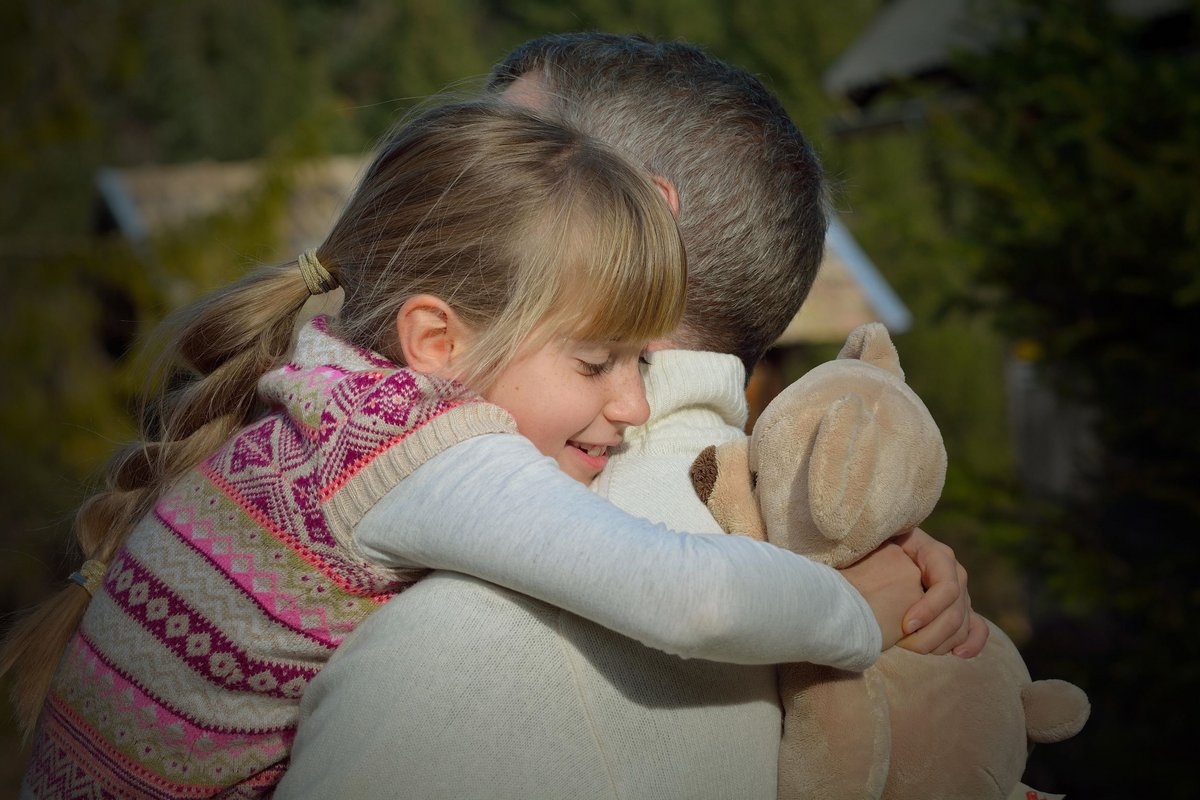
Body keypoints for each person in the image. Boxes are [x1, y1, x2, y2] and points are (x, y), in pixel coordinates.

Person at [7, 98, 920, 799]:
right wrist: (853, 613)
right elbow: (690, 595)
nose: (635, 403)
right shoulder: (418, 451)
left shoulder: (326, 391)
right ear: (437, 343)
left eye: (641, 362)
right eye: (598, 361)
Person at [276, 34, 986, 800]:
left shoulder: (461, 643)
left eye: (510, 154)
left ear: (642, 214)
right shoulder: (832, 561)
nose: (445, 196)